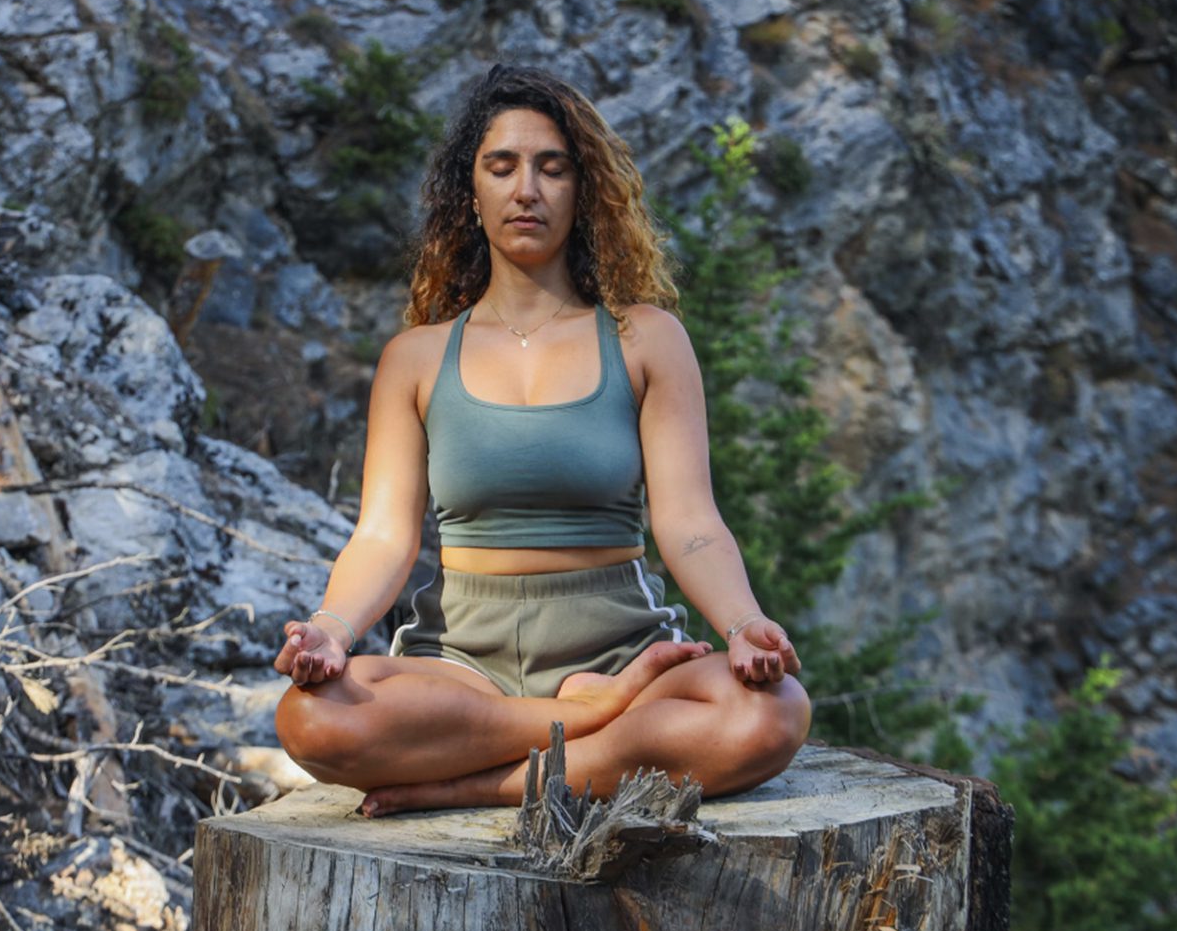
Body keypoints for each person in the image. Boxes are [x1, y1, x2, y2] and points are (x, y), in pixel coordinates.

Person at [274, 64, 811, 817]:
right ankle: (583, 731)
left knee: (774, 710)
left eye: (551, 168)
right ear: (473, 192)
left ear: (582, 189)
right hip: (462, 664)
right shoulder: (417, 358)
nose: (526, 188)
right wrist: (331, 631)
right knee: (310, 716)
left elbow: (690, 523)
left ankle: (476, 783)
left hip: (617, 649)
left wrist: (744, 621)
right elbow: (382, 536)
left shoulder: (646, 341)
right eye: (502, 166)